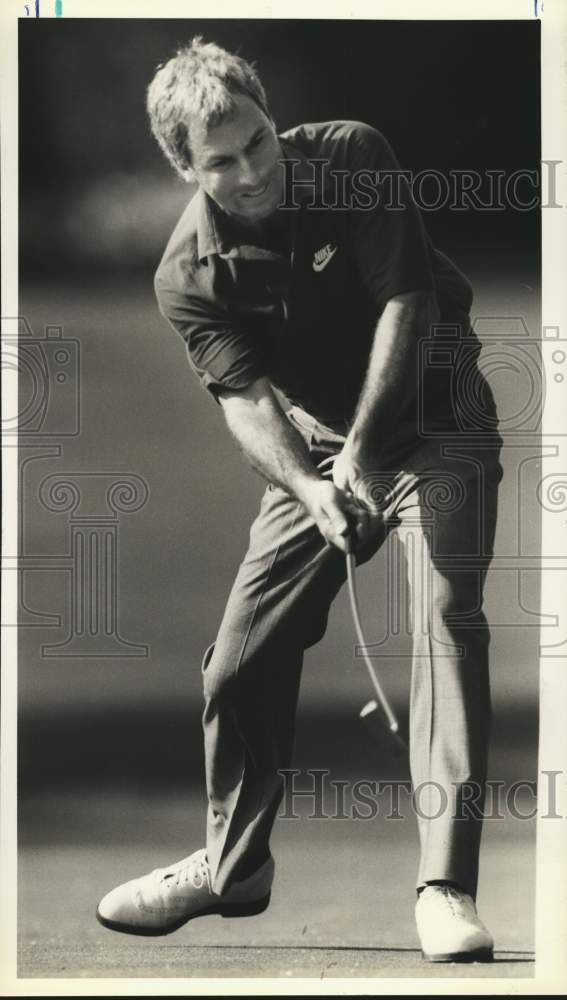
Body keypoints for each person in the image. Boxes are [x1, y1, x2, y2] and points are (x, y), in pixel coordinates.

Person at [96, 37, 503, 962]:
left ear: (272, 119)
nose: (251, 172)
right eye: (221, 162)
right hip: (316, 449)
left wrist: (361, 454)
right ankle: (231, 865)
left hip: (438, 422)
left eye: (259, 142)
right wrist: (319, 486)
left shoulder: (352, 156)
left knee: (446, 612)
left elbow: (407, 301)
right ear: (185, 170)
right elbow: (246, 403)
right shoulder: (186, 276)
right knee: (237, 661)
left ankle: (445, 886)